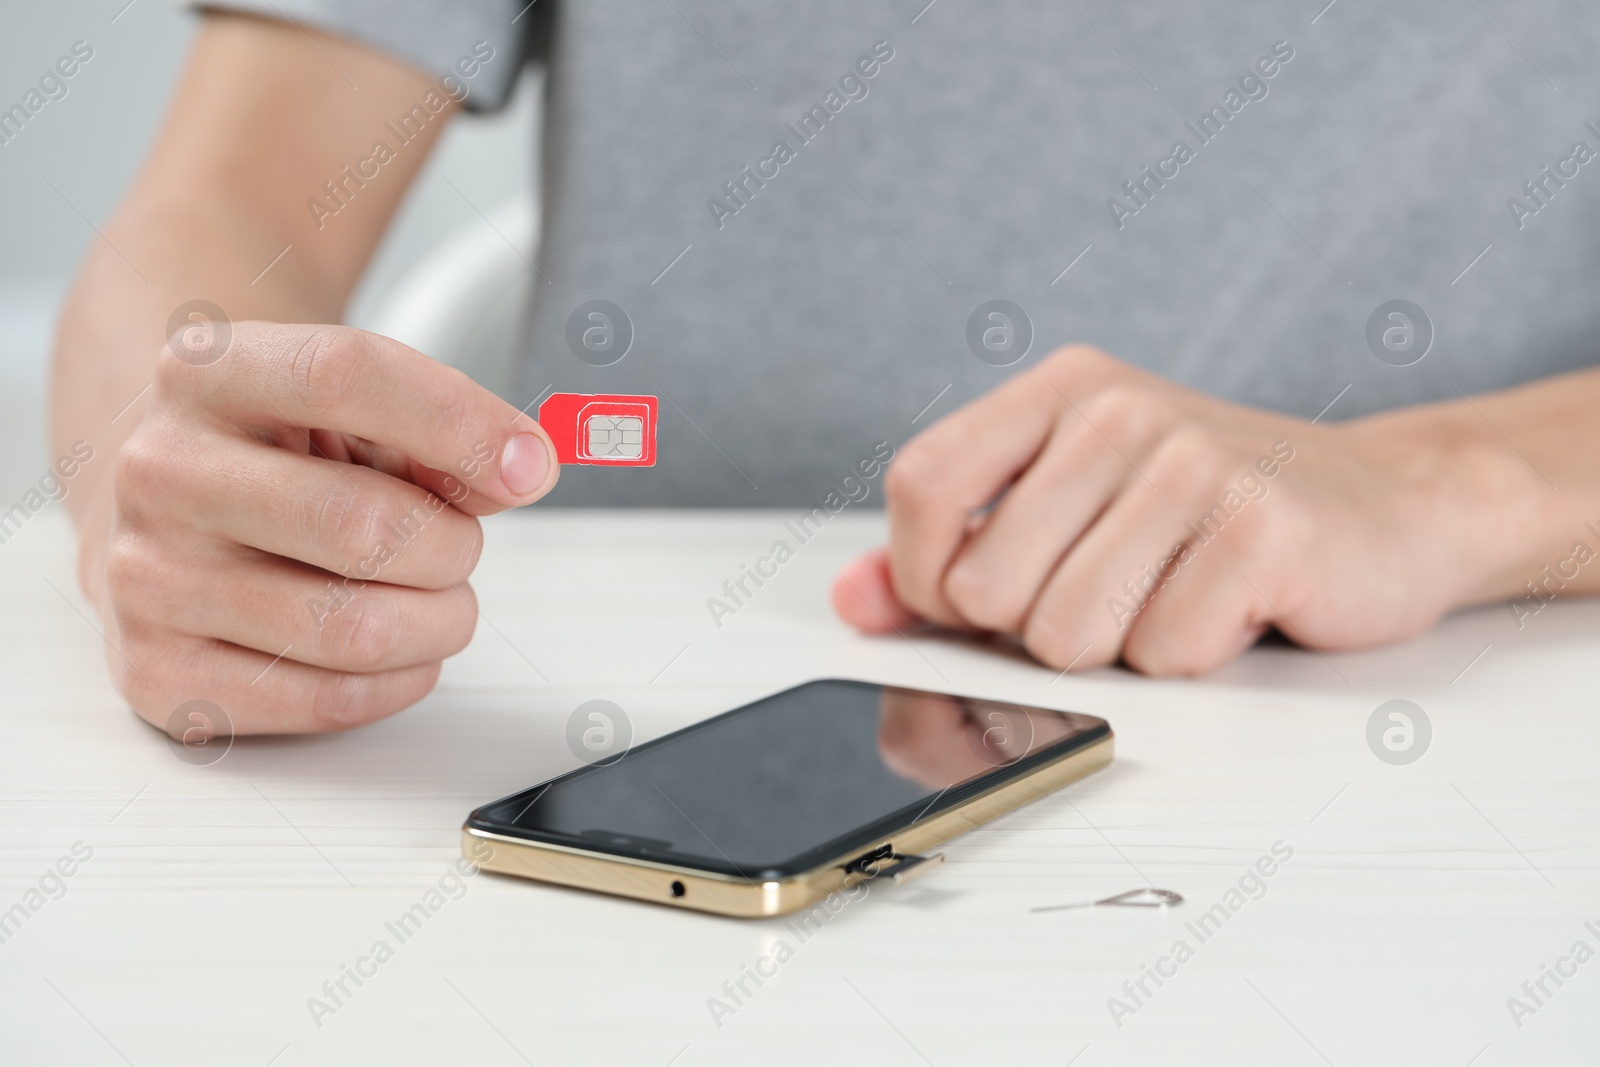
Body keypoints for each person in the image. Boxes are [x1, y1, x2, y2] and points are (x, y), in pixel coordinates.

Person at [51, 3, 1600, 734]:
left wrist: (1457, 481)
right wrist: (171, 462)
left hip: (1455, 720)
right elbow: (219, 208)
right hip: (596, 717)